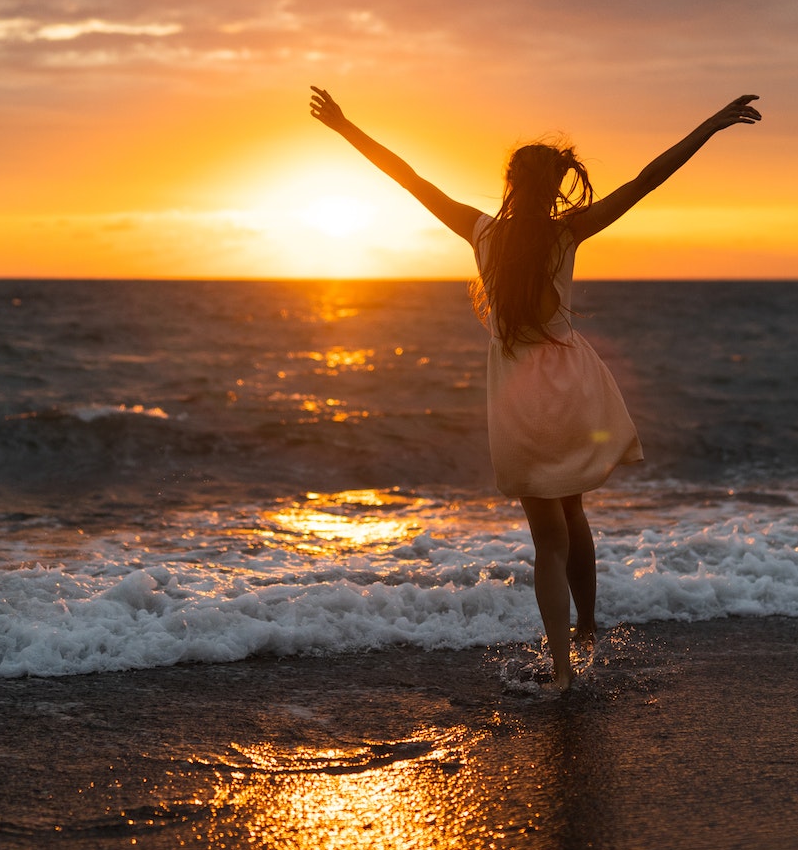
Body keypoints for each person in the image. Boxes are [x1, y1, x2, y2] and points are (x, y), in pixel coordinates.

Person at [308, 86, 761, 689]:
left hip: (518, 397)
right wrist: (709, 124)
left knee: (547, 536)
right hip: (571, 387)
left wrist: (345, 126)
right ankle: (589, 628)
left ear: (510, 182)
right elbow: (648, 179)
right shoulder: (567, 233)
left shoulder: (481, 233)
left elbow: (407, 177)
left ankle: (561, 670)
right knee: (572, 507)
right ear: (556, 186)